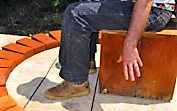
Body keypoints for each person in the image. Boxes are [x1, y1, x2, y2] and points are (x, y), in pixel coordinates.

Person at [44, 0, 175, 101]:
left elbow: (144, 3)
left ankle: (76, 82)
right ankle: (85, 62)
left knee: (75, 15)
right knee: (88, 3)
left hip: (154, 11)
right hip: (147, 5)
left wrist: (130, 45)